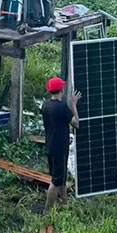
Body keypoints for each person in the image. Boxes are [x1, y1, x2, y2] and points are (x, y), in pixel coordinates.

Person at [41, 76, 81, 213]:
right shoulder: (62, 107)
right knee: (55, 181)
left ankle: (64, 202)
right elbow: (76, 123)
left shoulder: (45, 106)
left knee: (60, 176)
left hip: (50, 146)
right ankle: (47, 210)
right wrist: (74, 105)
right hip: (59, 148)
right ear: (61, 90)